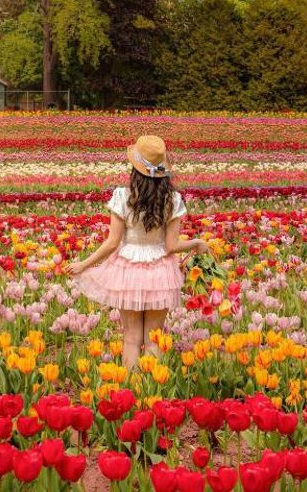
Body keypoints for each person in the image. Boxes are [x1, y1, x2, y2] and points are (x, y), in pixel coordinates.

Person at [69, 135, 211, 371]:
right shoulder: (172, 200)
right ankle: (153, 386)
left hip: (128, 269)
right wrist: (196, 243)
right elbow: (171, 246)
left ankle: (131, 386)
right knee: (154, 338)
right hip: (160, 271)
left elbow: (112, 243)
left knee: (131, 338)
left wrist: (84, 264)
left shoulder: (123, 197)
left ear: (135, 169)